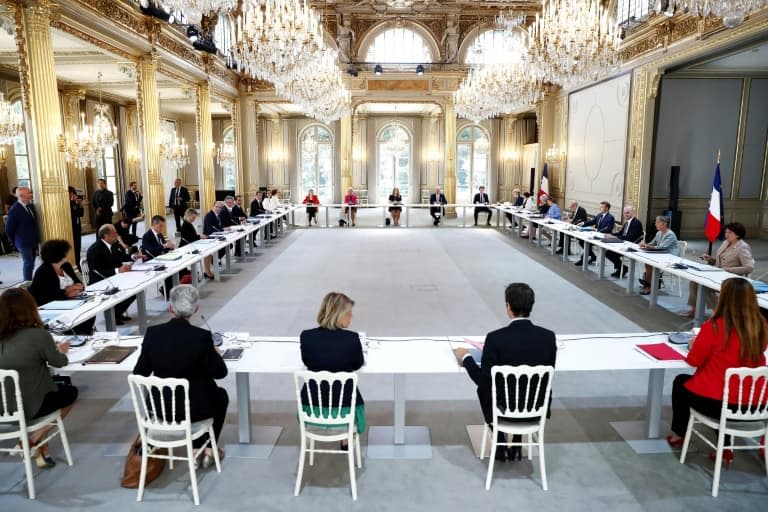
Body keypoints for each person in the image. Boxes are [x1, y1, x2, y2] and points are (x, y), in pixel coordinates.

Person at [666, 278, 767, 466]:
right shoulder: (761, 327)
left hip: (718, 401)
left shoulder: (714, 327)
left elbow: (694, 360)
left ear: (725, 299)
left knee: (680, 383)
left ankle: (679, 433)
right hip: (755, 403)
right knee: (728, 397)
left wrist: (693, 344)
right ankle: (726, 448)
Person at [453, 283, 557, 463]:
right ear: (531, 306)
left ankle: (500, 440)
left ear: (508, 307)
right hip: (535, 411)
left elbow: (482, 381)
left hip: (504, 412)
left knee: (486, 389)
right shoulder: (548, 337)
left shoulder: (495, 339)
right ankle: (517, 444)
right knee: (528, 385)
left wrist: (467, 358)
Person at [133, 285, 228, 469]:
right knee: (220, 396)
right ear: (196, 309)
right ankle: (207, 447)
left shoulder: (153, 334)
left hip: (159, 409)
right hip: (194, 410)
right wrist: (213, 353)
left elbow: (140, 372)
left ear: (170, 308)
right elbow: (220, 373)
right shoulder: (201, 337)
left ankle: (202, 447)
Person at [0, 288, 77, 468]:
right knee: (70, 392)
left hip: (4, 406)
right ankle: (33, 439)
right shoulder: (38, 336)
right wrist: (61, 350)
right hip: (31, 405)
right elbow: (59, 362)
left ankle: (42, 451)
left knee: (41, 385)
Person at [300, 292, 366, 448]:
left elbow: (307, 361)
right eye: (349, 313)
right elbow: (357, 364)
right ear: (339, 315)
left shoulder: (306, 336)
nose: (351, 317)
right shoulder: (352, 339)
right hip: (345, 409)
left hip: (311, 408)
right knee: (352, 394)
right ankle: (346, 438)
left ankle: (334, 433)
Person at [685, 222, 754, 317]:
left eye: (729, 232)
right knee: (694, 281)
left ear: (737, 234)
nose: (726, 235)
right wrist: (710, 259)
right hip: (719, 274)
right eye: (726, 232)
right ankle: (694, 309)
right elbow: (720, 261)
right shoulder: (725, 243)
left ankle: (718, 313)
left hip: (732, 278)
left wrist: (728, 270)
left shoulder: (743, 247)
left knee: (706, 286)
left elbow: (749, 267)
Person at [29, 239, 95, 334]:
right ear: (59, 255)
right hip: (53, 309)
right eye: (65, 252)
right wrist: (69, 290)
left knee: (90, 312)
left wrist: (71, 290)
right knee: (81, 317)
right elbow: (49, 297)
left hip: (72, 302)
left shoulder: (66, 266)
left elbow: (80, 285)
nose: (67, 254)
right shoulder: (43, 272)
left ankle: (83, 335)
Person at [86, 225, 136, 325]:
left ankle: (117, 313)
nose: (117, 235)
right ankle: (114, 315)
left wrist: (133, 256)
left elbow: (121, 257)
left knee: (134, 290)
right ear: (106, 235)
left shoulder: (112, 245)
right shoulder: (94, 249)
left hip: (114, 278)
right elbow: (97, 271)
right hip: (100, 281)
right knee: (125, 290)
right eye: (114, 233)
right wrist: (118, 270)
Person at [638, 215, 679, 295]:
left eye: (657, 222)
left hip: (670, 257)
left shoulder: (670, 235)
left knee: (651, 264)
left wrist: (649, 246)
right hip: (661, 254)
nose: (655, 224)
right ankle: (648, 284)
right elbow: (653, 243)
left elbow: (662, 247)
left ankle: (649, 286)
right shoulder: (659, 233)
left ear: (664, 224)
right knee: (648, 262)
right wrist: (645, 244)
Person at [5, 186, 39, 281]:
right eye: (29, 193)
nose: (31, 194)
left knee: (31, 262)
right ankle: (27, 284)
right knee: (28, 263)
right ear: (21, 195)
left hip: (32, 240)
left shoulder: (30, 206)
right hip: (23, 242)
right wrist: (15, 242)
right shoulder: (14, 209)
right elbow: (8, 229)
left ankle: (29, 280)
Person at [606, 206, 644, 278]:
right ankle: (621, 269)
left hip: (631, 246)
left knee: (610, 253)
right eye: (624, 213)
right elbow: (621, 233)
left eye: (627, 213)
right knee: (608, 252)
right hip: (624, 243)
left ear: (632, 213)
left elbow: (629, 238)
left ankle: (622, 269)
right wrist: (610, 234)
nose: (625, 215)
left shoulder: (636, 223)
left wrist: (615, 237)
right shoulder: (627, 223)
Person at [575, 201, 615, 266]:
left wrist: (597, 230)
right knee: (582, 241)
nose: (600, 208)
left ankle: (584, 260)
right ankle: (592, 256)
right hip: (595, 235)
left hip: (603, 237)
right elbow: (592, 221)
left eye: (602, 207)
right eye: (600, 207)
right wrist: (583, 223)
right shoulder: (599, 215)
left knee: (586, 243)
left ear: (607, 208)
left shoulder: (610, 217)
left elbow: (608, 228)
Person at [180, 208, 214, 281]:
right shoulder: (185, 225)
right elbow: (190, 238)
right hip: (186, 247)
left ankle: (207, 271)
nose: (194, 219)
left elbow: (193, 236)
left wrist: (199, 236)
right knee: (207, 253)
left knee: (209, 252)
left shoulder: (189, 224)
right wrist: (200, 236)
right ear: (188, 216)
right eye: (193, 217)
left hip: (192, 245)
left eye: (195, 218)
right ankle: (207, 271)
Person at [68, 186, 84, 264]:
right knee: (73, 248)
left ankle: (78, 263)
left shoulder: (75, 203)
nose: (73, 195)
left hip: (77, 228)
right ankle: (75, 263)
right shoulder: (67, 204)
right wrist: (72, 202)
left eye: (73, 193)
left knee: (78, 248)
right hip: (71, 229)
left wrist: (80, 205)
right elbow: (72, 214)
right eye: (71, 193)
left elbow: (81, 214)